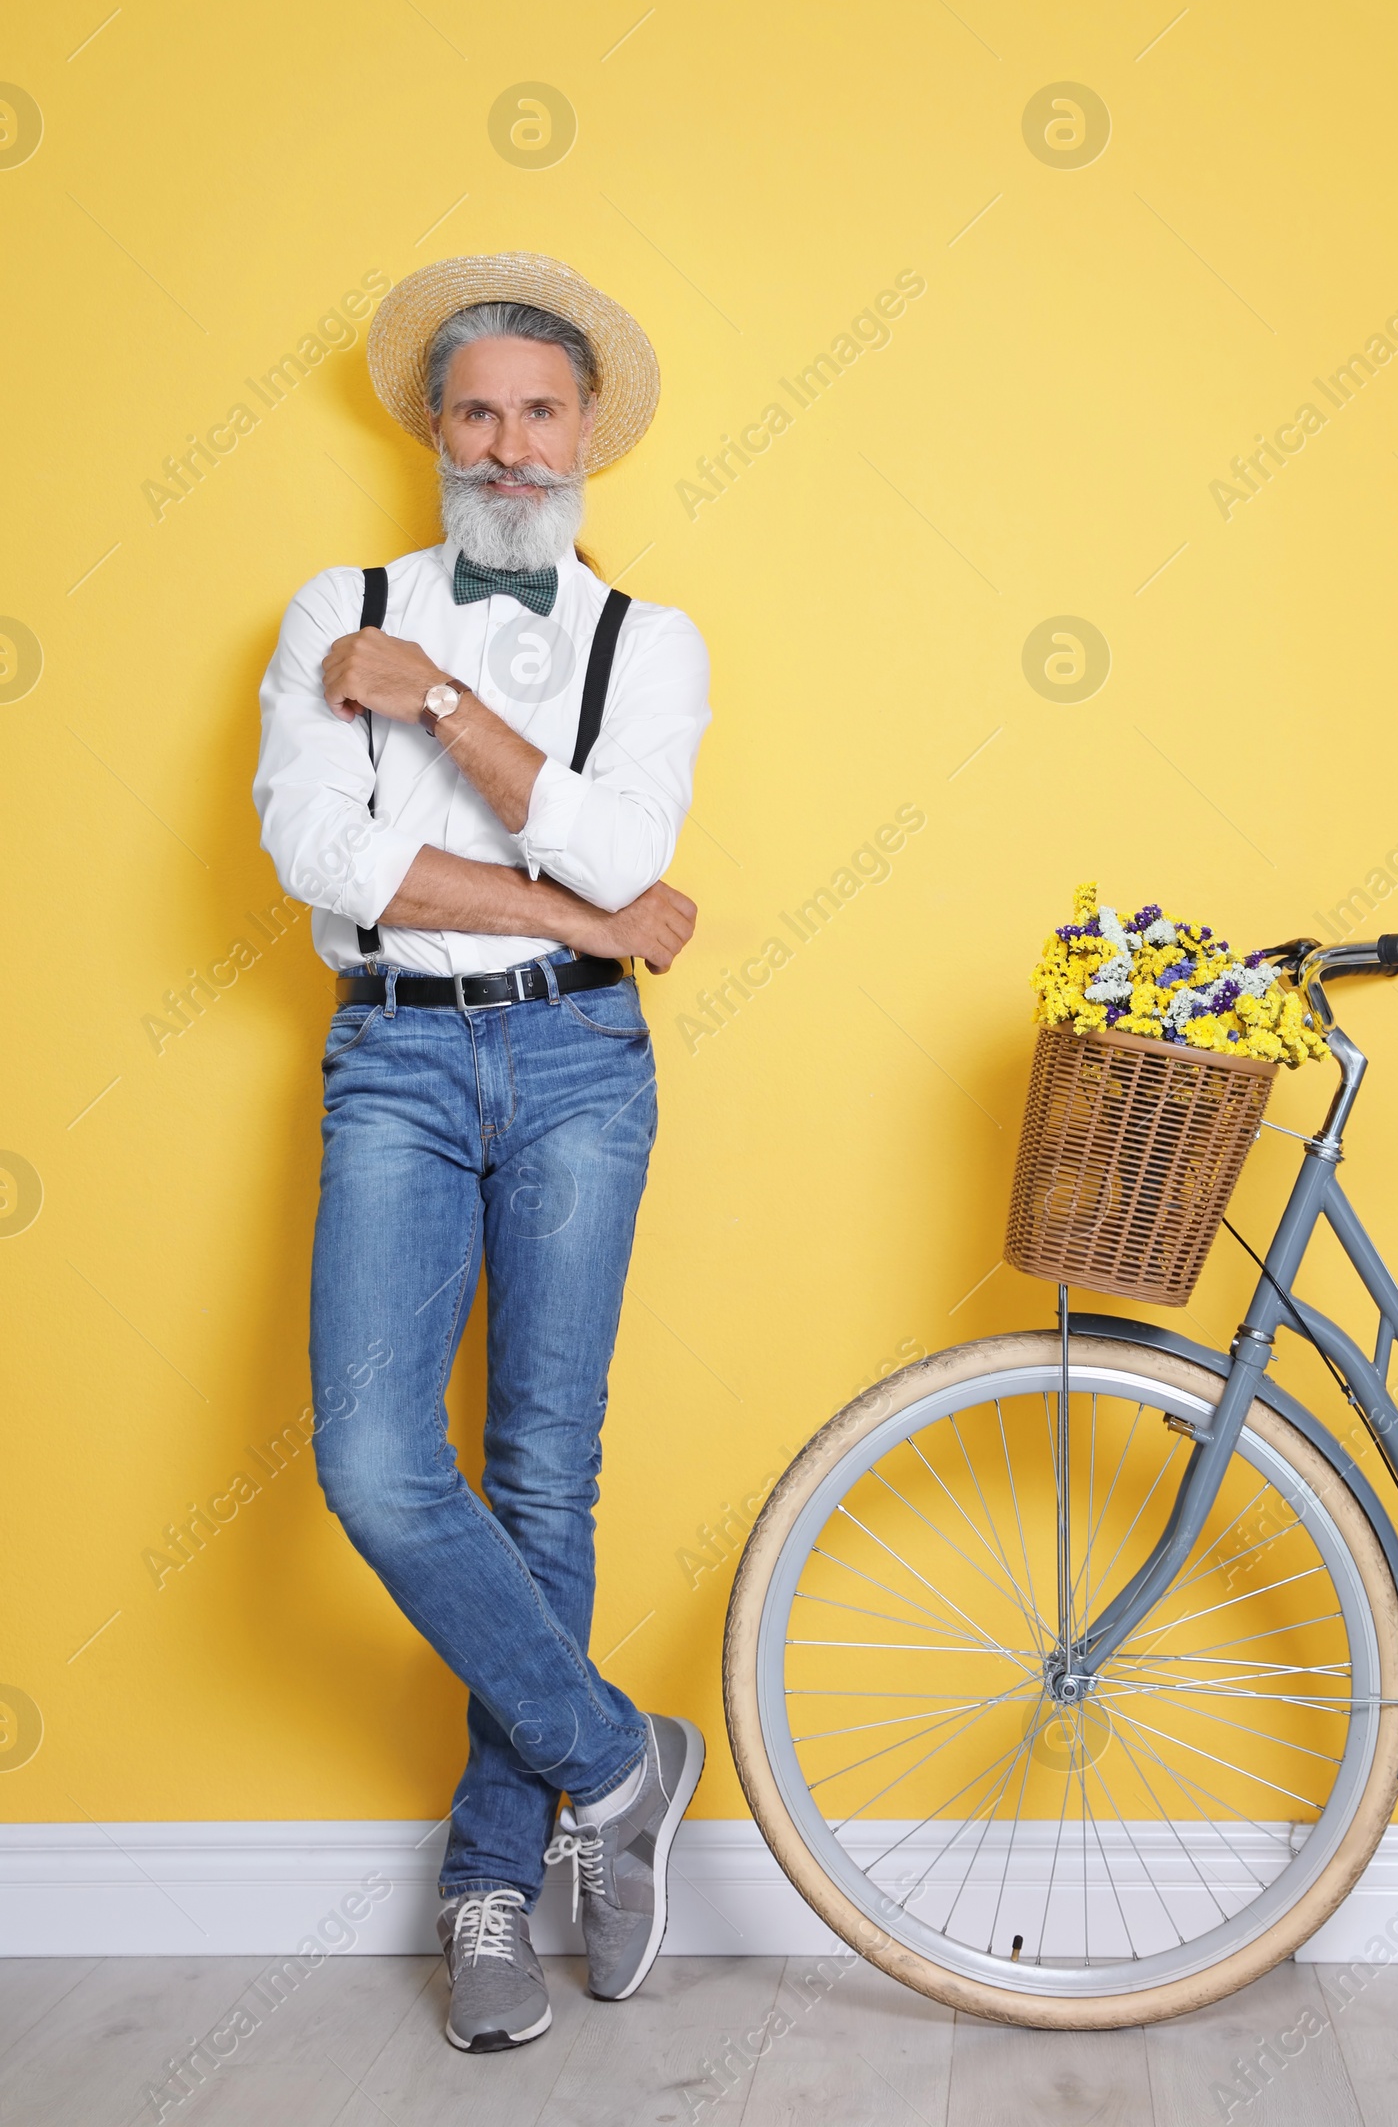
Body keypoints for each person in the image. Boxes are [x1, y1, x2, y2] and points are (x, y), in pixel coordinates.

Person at [254, 253, 710, 2053]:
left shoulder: (647, 640)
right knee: (376, 1463)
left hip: (586, 1069)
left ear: (585, 430)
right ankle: (619, 1760)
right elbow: (324, 860)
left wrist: (437, 705)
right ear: (431, 431)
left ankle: (493, 1886)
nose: (511, 446)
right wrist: (597, 915)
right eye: (479, 413)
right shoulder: (329, 608)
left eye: (541, 412)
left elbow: (622, 845)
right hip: (396, 1062)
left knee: (542, 1470)